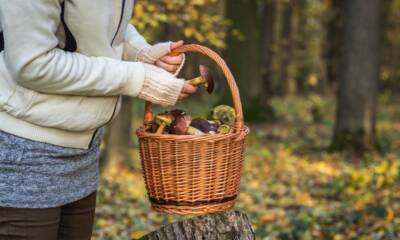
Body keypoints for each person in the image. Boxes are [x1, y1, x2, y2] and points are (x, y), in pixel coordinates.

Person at [0, 0, 197, 239]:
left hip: (83, 153)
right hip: (24, 153)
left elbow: (96, 23)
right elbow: (33, 64)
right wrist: (136, 78)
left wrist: (138, 52)